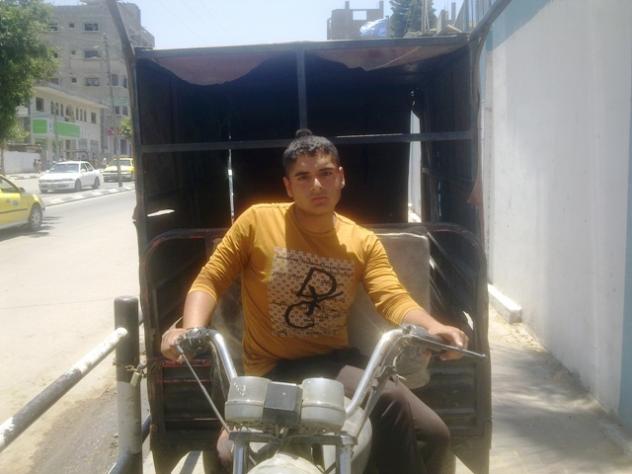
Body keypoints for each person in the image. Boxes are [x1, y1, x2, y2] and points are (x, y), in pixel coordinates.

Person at [161, 129, 469, 473]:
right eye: (303, 177)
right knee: (228, 455)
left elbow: (392, 297)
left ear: (341, 177)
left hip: (334, 364)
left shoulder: (361, 240)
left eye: (325, 173)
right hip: (271, 369)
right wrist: (190, 331)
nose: (317, 185)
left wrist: (433, 327)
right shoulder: (257, 221)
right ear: (288, 186)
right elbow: (210, 279)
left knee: (433, 434)